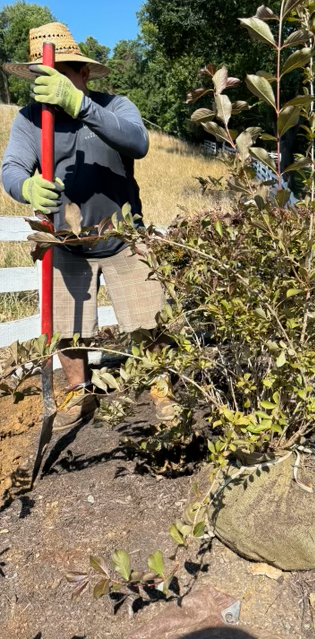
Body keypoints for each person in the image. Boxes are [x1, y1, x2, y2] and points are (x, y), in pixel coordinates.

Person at [1, 22, 176, 429]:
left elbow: (138, 143)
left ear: (82, 72)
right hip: (66, 243)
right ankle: (80, 394)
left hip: (124, 239)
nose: (54, 81)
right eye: (47, 74)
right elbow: (11, 168)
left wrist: (80, 106)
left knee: (147, 320)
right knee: (69, 331)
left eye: (64, 72)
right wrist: (25, 186)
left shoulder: (115, 106)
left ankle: (162, 392)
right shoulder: (30, 120)